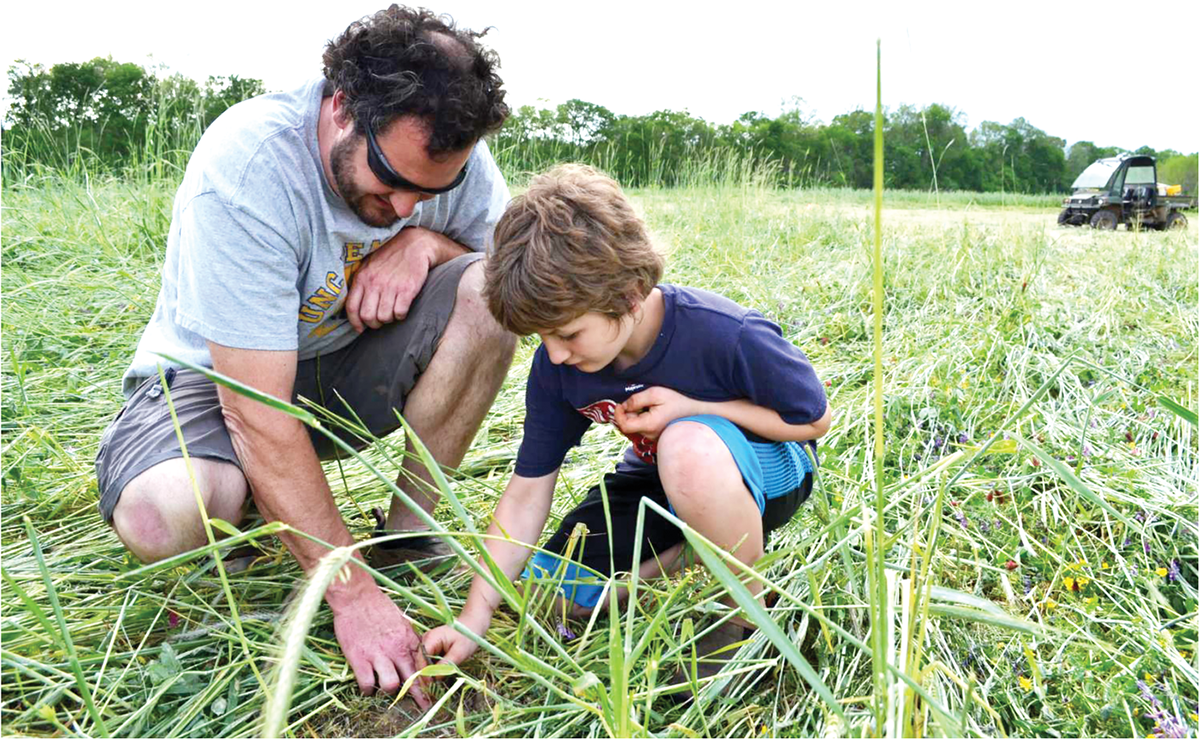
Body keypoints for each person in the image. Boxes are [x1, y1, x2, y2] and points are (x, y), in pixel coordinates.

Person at [94, 6, 516, 708]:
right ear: (343, 106)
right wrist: (351, 596)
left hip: (340, 368)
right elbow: (255, 411)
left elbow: (513, 262)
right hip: (214, 384)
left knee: (490, 293)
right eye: (390, 178)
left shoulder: (447, 161)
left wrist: (430, 246)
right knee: (165, 517)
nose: (408, 203)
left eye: (430, 191)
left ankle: (410, 540)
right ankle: (252, 515)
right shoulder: (252, 164)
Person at [422, 164, 831, 695]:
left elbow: (812, 419)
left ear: (631, 295)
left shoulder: (727, 333)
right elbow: (526, 492)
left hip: (766, 470)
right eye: (541, 337)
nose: (554, 353)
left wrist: (689, 408)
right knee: (548, 592)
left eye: (568, 333)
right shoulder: (559, 368)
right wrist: (475, 614)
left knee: (685, 444)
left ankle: (744, 616)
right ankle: (687, 550)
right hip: (656, 485)